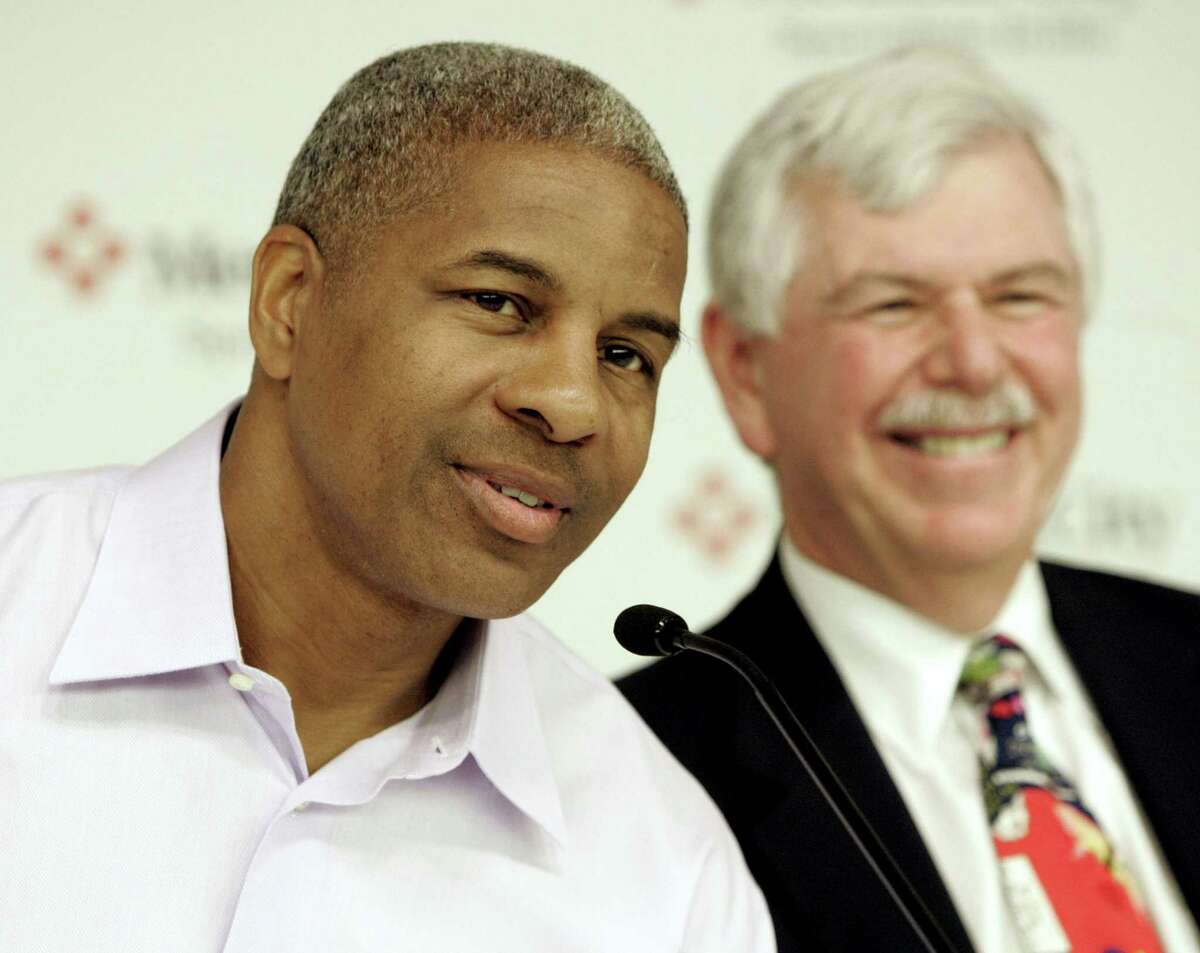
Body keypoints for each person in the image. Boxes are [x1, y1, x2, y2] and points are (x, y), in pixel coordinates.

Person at [1, 43, 774, 952]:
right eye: (499, 302)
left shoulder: (666, 869)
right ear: (289, 301)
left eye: (625, 356)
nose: (572, 404)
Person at [620, 46, 1200, 953]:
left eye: (1020, 296)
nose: (972, 362)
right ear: (746, 371)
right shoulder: (634, 779)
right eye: (893, 304)